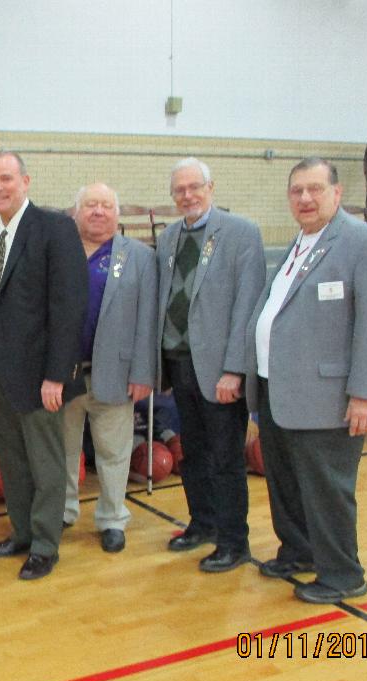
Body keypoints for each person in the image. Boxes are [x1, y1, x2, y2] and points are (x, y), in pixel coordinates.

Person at [245, 157, 367, 604]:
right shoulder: (301, 244)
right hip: (279, 389)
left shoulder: (363, 243)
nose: (305, 198)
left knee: (327, 490)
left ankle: (343, 575)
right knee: (287, 482)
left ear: (337, 193)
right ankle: (299, 551)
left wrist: (366, 395)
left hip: (329, 397)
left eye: (315, 189)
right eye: (297, 191)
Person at [0, 151, 88, 580]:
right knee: (12, 460)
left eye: (6, 179)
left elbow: (68, 308)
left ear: (26, 181)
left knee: (45, 462)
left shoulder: (55, 229)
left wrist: (56, 374)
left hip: (42, 375)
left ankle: (45, 545)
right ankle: (22, 533)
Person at [156, 157, 265, 572]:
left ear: (211, 187)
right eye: (179, 190)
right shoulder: (167, 239)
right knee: (194, 453)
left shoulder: (241, 234)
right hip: (179, 364)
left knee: (225, 456)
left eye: (194, 187)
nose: (187, 195)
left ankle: (235, 541)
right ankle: (202, 523)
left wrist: (235, 369)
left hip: (220, 370)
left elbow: (248, 307)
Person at [63, 183, 157, 552]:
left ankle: (113, 518)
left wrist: (144, 372)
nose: (98, 212)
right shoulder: (61, 252)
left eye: (105, 206)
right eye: (90, 205)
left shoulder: (139, 256)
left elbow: (148, 319)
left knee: (114, 453)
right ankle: (65, 511)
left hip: (117, 375)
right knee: (65, 451)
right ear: (76, 212)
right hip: (66, 376)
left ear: (117, 214)